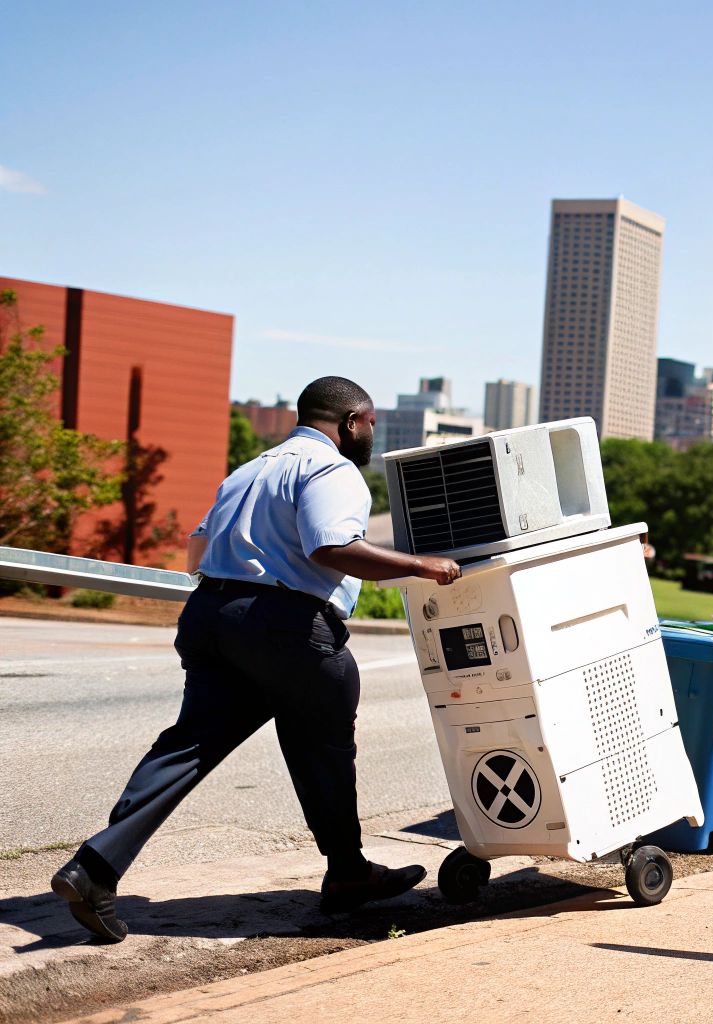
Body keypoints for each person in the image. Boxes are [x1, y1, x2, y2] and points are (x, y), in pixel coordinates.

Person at [51, 376, 462, 943]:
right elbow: (329, 546)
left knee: (189, 746)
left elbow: (198, 548)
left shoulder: (250, 469)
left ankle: (93, 868)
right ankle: (346, 874)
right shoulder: (332, 469)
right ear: (349, 422)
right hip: (285, 626)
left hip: (212, 615)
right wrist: (421, 566)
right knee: (326, 746)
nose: (371, 432)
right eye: (368, 422)